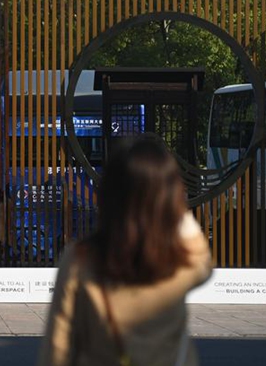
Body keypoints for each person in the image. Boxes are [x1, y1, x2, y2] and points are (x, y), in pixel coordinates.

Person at [37, 135, 213, 366]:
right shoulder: (181, 262)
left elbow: (57, 351)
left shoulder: (80, 261)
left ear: (110, 192)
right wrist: (168, 201)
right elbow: (198, 248)